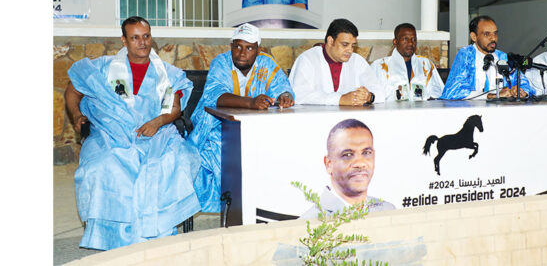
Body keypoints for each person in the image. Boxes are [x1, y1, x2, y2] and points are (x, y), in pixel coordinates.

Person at [65, 16, 199, 250]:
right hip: (110, 135)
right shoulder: (103, 67)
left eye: (146, 36)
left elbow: (174, 108)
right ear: (124, 40)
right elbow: (73, 88)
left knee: (170, 164)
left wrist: (157, 122)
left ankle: (153, 234)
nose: (142, 42)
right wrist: (76, 115)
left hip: (156, 136)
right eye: (135, 37)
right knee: (102, 166)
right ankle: (110, 238)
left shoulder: (167, 73)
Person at [187, 23, 295, 212]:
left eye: (249, 48)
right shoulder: (221, 63)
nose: (242, 53)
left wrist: (285, 96)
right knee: (223, 154)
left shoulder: (266, 63)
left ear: (258, 50)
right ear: (231, 47)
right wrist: (251, 103)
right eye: (237, 46)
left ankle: (262, 206)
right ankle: (232, 207)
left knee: (275, 152)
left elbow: (282, 87)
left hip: (255, 130)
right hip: (216, 127)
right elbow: (215, 96)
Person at [301, 119, 394, 218]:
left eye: (366, 153)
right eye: (348, 155)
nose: (360, 163)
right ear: (329, 164)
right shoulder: (309, 222)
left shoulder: (388, 211)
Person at [289, 18, 385, 106]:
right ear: (331, 41)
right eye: (345, 44)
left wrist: (369, 97)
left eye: (352, 45)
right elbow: (299, 95)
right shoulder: (308, 59)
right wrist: (340, 99)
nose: (350, 50)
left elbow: (380, 92)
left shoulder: (357, 61)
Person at [440, 15, 533, 100]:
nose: (493, 38)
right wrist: (491, 96)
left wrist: (521, 91)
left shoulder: (502, 57)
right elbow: (452, 92)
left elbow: (524, 84)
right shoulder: (466, 55)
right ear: (474, 36)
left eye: (495, 33)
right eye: (487, 34)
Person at [370, 23, 444, 101]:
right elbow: (373, 97)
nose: (410, 43)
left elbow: (438, 94)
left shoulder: (425, 64)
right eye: (405, 39)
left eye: (414, 39)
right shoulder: (379, 66)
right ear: (395, 42)